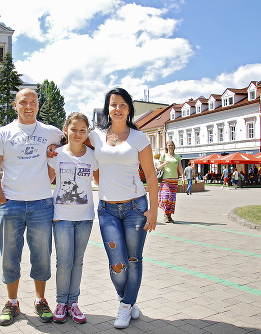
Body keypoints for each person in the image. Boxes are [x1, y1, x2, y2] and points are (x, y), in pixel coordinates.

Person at [0, 88, 63, 326]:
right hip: (12, 206)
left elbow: (73, 145)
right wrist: (2, 201)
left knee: (41, 256)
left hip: (42, 204)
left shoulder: (51, 132)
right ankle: (12, 302)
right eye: (23, 102)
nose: (28, 106)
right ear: (15, 105)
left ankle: (40, 300)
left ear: (38, 104)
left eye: (33, 102)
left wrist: (50, 172)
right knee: (10, 257)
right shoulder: (3, 133)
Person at [88, 88, 158, 329]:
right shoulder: (96, 136)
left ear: (129, 110)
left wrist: (154, 210)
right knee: (116, 264)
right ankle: (127, 300)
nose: (117, 109)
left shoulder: (139, 138)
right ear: (107, 108)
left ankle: (126, 305)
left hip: (135, 208)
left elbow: (150, 175)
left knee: (133, 259)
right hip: (107, 209)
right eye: (113, 104)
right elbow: (75, 147)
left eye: (123, 105)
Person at [47, 112, 99, 324]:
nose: (78, 134)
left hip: (85, 217)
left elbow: (101, 182)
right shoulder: (56, 154)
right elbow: (47, 181)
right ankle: (61, 302)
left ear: (87, 132)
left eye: (82, 130)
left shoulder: (93, 156)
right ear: (66, 130)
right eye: (74, 129)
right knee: (63, 262)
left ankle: (73, 303)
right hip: (61, 216)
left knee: (77, 262)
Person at [156, 140, 183, 224]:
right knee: (166, 197)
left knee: (172, 199)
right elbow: (158, 168)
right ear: (166, 147)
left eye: (171, 145)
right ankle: (166, 214)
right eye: (169, 145)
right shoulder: (163, 156)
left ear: (174, 147)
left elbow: (180, 168)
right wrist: (164, 164)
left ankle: (168, 216)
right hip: (165, 180)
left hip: (174, 180)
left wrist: (182, 177)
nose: (170, 146)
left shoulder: (177, 157)